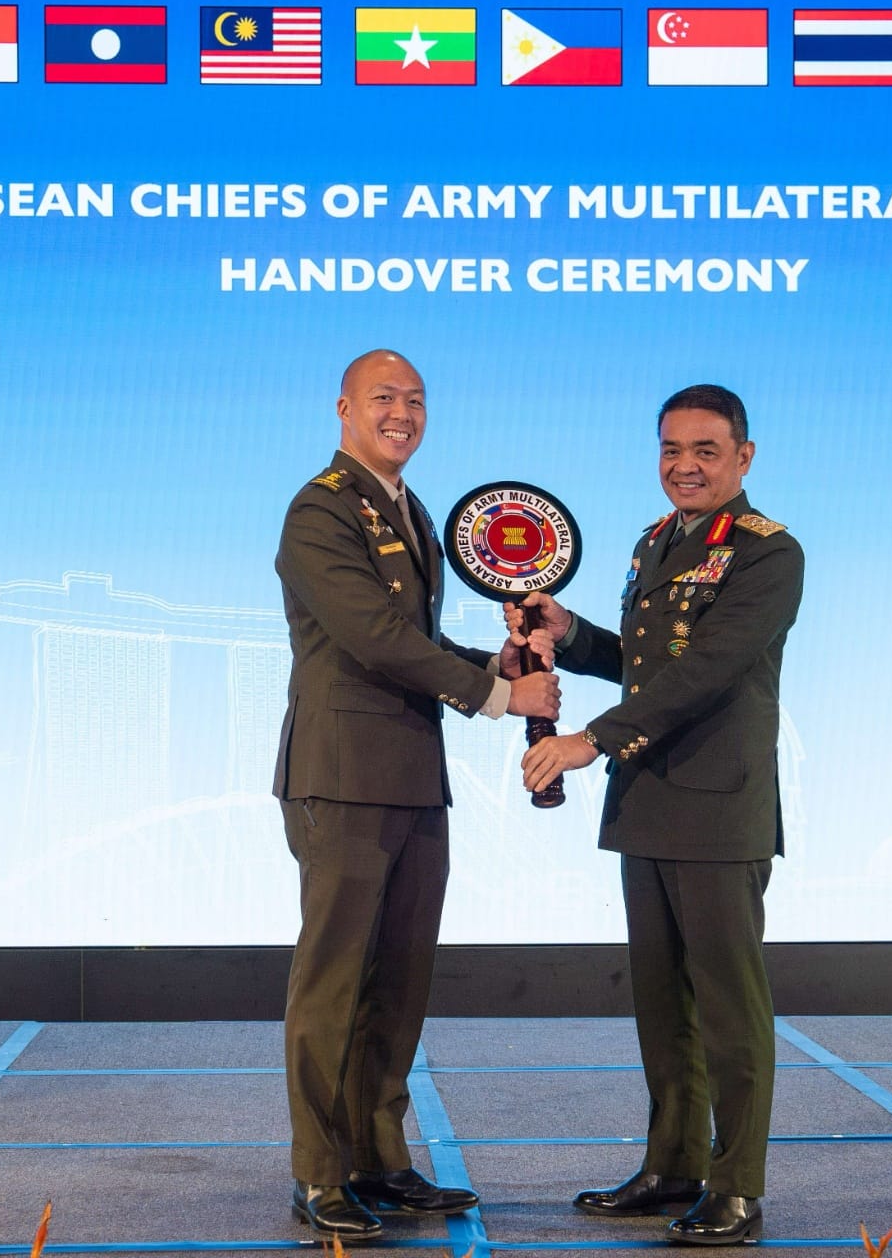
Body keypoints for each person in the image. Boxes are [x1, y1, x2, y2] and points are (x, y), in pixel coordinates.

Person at [274, 349, 561, 1244]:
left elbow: (415, 637)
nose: (402, 413)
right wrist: (497, 694)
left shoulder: (410, 509)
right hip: (345, 778)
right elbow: (370, 638)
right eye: (383, 399)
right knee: (334, 985)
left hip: (409, 778)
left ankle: (379, 1161)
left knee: (396, 983)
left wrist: (497, 662)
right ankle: (319, 1176)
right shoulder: (320, 509)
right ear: (344, 408)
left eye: (416, 400)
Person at [510, 384, 804, 1246]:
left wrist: (589, 741)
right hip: (649, 803)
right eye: (671, 450)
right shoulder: (654, 542)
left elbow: (704, 671)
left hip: (717, 807)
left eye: (706, 451)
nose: (686, 466)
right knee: (661, 1003)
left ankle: (737, 1185)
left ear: (743, 458)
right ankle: (674, 1165)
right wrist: (571, 631)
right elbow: (645, 661)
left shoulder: (767, 554)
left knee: (728, 1007)